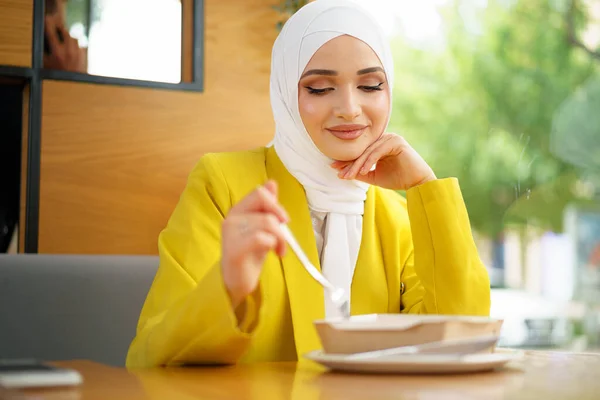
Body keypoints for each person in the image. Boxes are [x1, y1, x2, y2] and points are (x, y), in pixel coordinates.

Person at [126, 0, 491, 368]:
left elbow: (464, 340)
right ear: (286, 92)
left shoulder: (396, 216)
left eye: (370, 85)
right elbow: (150, 361)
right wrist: (228, 287)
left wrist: (425, 187)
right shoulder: (224, 186)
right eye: (319, 88)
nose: (349, 108)